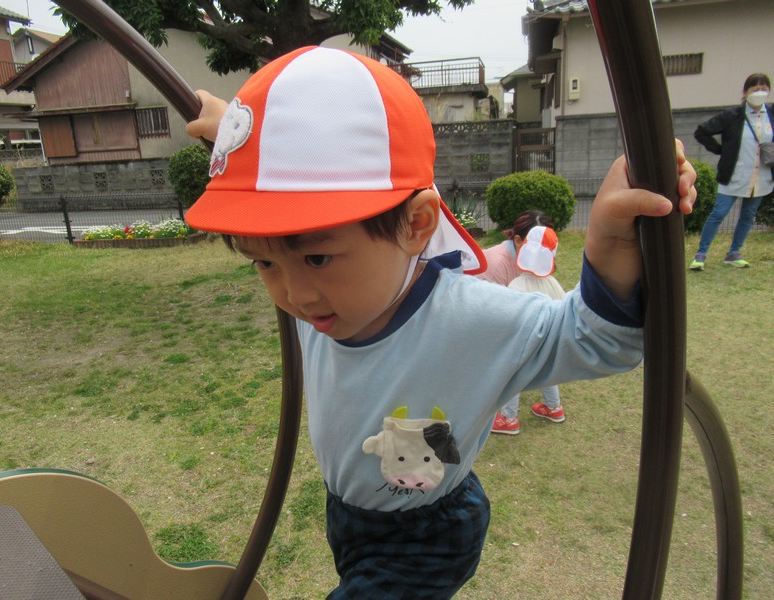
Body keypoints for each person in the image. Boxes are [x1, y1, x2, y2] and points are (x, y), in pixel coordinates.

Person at [184, 46, 696, 599]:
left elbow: (596, 340)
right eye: (263, 263)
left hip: (425, 537)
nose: (294, 294)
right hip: (350, 513)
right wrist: (236, 140)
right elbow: (277, 216)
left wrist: (611, 245)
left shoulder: (471, 317)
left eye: (317, 257)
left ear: (416, 225)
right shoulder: (327, 299)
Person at [482, 218, 567, 435]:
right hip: (547, 342)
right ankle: (554, 407)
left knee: (513, 379)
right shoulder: (552, 283)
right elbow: (563, 309)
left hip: (523, 345)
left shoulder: (517, 285)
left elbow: (510, 318)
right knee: (547, 373)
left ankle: (509, 419)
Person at [690, 73, 773, 270]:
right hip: (734, 174)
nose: (760, 93)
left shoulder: (771, 114)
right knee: (719, 213)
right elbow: (701, 132)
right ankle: (701, 254)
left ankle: (734, 252)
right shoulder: (732, 115)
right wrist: (721, 150)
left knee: (748, 215)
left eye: (764, 89)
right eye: (755, 89)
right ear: (745, 93)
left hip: (761, 176)